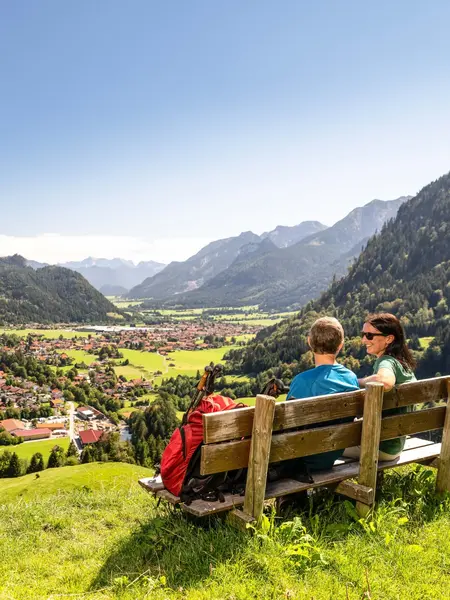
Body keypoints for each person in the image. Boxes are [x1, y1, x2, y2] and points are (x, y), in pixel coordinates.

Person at [285, 316, 359, 472]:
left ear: (309, 342)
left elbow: (286, 423)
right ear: (340, 346)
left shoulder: (302, 381)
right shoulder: (350, 378)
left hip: (303, 459)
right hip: (331, 453)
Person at [346, 312, 417, 461]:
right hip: (394, 444)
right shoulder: (402, 363)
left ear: (389, 339)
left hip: (379, 447)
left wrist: (354, 381)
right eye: (363, 334)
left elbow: (384, 381)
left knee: (318, 445)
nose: (363, 339)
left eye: (369, 335)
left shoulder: (386, 362)